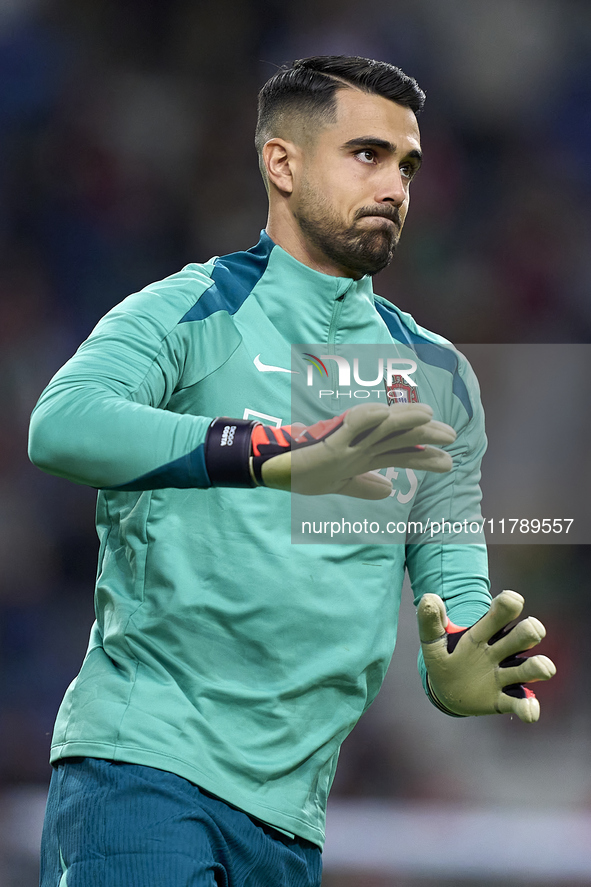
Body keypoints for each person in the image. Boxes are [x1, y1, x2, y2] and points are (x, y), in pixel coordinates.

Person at [29, 56, 555, 887]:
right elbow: (62, 425)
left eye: (407, 165)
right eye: (366, 154)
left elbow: (449, 576)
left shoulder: (439, 375)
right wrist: (271, 454)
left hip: (292, 819)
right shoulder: (193, 308)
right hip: (144, 769)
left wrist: (458, 664)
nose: (393, 185)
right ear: (282, 162)